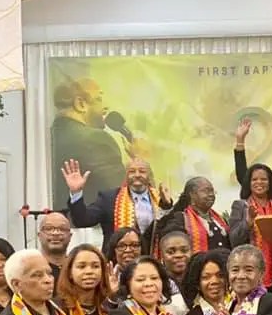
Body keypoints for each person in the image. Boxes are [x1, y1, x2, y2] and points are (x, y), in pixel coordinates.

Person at [62, 157, 173, 252]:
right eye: (132, 171)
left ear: (149, 175)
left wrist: (167, 206)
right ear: (126, 175)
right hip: (117, 264)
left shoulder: (160, 200)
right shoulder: (109, 198)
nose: (137, 175)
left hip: (152, 262)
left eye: (142, 171)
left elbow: (169, 230)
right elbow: (82, 220)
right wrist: (76, 193)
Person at [50, 79, 126, 207]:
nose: (106, 106)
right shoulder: (97, 139)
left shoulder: (48, 137)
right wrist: (139, 160)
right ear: (80, 104)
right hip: (92, 225)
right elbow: (120, 199)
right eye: (99, 99)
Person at [228, 163, 272, 292]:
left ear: (270, 183)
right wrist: (248, 222)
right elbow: (234, 240)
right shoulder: (240, 206)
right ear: (249, 183)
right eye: (254, 179)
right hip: (250, 271)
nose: (259, 182)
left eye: (263, 179)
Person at [172, 177, 231, 252]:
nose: (211, 194)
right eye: (206, 191)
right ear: (192, 195)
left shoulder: (220, 220)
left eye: (212, 191)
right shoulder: (181, 219)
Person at [38, 212, 72, 283]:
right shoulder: (31, 268)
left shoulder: (75, 268)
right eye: (49, 228)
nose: (55, 233)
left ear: (70, 236)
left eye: (62, 229)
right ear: (39, 235)